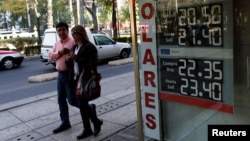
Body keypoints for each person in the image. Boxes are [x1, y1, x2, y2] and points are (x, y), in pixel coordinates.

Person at [66, 25, 103, 139]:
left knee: (82, 105)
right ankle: (95, 121)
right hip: (76, 79)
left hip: (86, 79)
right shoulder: (74, 47)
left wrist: (76, 58)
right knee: (78, 103)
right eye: (72, 34)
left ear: (81, 33)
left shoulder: (89, 47)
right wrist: (68, 60)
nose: (73, 36)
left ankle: (88, 128)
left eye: (75, 34)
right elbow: (71, 65)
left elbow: (92, 63)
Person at [48, 22, 77, 134]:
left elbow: (77, 57)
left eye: (63, 30)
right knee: (61, 100)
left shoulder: (73, 42)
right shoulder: (56, 43)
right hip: (60, 75)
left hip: (70, 75)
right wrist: (59, 52)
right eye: (59, 30)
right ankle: (65, 122)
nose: (61, 32)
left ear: (67, 30)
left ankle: (89, 108)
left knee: (72, 100)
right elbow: (51, 56)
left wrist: (68, 53)